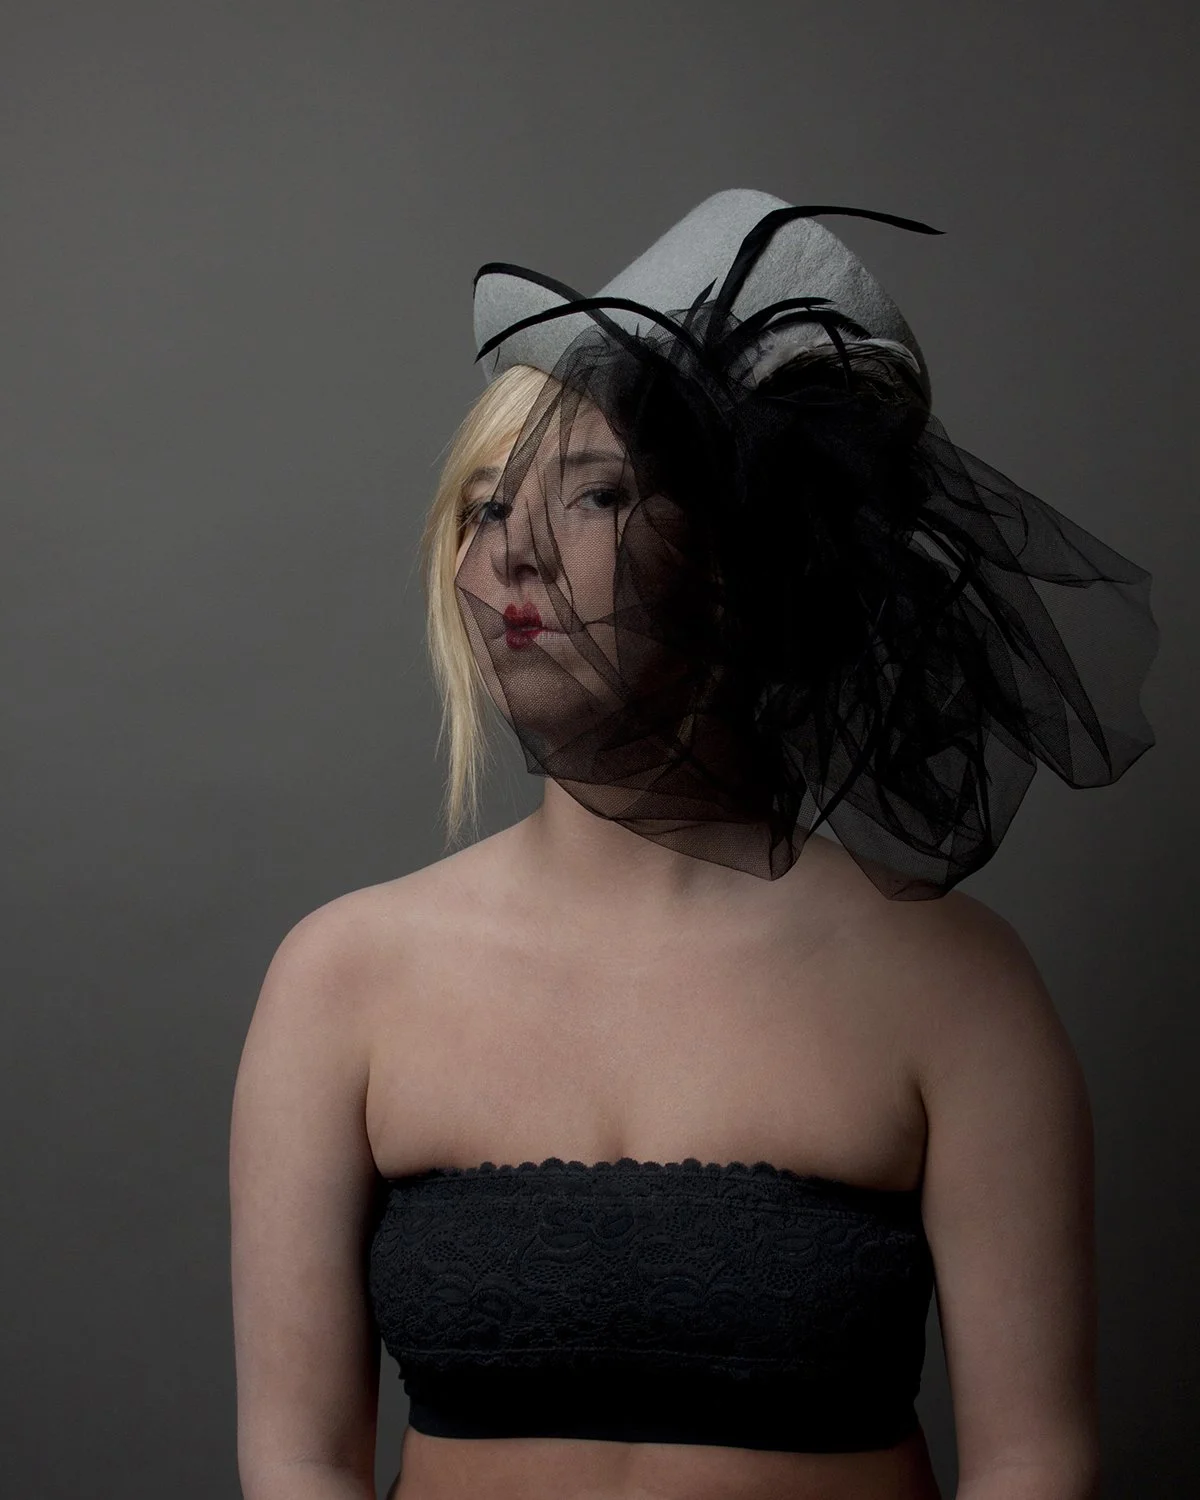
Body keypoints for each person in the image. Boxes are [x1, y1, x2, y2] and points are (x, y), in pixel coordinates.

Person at [230, 189, 1158, 1500]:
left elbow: (1035, 1468)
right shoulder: (340, 981)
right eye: (484, 509)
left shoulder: (958, 990)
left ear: (744, 560)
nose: (517, 558)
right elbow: (296, 1464)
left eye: (595, 494)